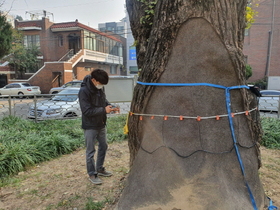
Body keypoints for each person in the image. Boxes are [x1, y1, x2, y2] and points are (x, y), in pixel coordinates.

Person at [78, 69, 117, 185]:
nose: (101, 86)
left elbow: (103, 101)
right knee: (90, 151)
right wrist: (103, 110)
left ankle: (99, 168)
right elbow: (86, 111)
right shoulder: (84, 91)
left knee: (103, 146)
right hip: (90, 125)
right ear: (94, 80)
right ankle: (92, 173)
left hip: (101, 123)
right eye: (100, 83)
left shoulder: (100, 88)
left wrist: (111, 106)